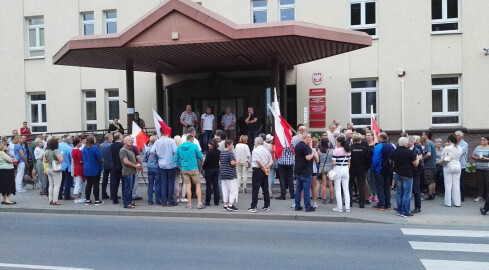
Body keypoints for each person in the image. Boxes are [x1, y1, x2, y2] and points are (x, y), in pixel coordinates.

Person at [392, 137, 422, 217]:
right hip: (407, 174)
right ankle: (405, 212)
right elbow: (415, 164)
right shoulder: (410, 152)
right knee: (406, 193)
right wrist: (418, 158)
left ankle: (399, 210)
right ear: (406, 143)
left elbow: (391, 161)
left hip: (397, 173)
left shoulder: (395, 151)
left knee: (399, 192)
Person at [174, 135, 204, 209]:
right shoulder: (194, 146)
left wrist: (179, 165)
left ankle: (189, 204)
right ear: (192, 140)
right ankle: (199, 203)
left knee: (188, 185)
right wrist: (201, 162)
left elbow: (175, 159)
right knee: (197, 185)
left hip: (184, 169)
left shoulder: (179, 147)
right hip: (193, 168)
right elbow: (200, 156)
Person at [152, 129, 178, 207]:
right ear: (166, 132)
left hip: (161, 164)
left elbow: (152, 151)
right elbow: (175, 151)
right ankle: (170, 200)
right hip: (170, 163)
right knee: (171, 182)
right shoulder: (171, 141)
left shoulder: (157, 141)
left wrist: (159, 155)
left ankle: (164, 201)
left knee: (163, 182)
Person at [248, 137, 273, 213]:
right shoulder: (266, 150)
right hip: (264, 169)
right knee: (265, 189)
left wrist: (264, 168)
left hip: (257, 170)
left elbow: (258, 161)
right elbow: (271, 161)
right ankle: (267, 206)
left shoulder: (255, 150)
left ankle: (254, 206)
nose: (254, 143)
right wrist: (266, 168)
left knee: (255, 189)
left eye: (255, 142)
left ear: (257, 142)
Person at [293, 133, 317, 212]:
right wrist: (313, 153)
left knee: (298, 189)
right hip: (306, 171)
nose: (310, 139)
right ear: (305, 138)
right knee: (306, 189)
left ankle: (297, 205)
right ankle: (308, 207)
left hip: (298, 170)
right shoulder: (306, 147)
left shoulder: (297, 146)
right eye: (309, 137)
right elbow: (308, 158)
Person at [371, 132, 394, 210]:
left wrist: (373, 168)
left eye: (378, 137)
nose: (377, 138)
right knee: (386, 187)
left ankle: (381, 204)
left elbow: (375, 159)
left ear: (381, 138)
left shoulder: (378, 146)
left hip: (379, 169)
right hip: (389, 169)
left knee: (380, 187)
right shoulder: (391, 146)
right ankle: (388, 204)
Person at [120, 136, 142, 209]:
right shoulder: (123, 150)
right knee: (128, 188)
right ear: (124, 142)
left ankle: (129, 202)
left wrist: (138, 165)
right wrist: (135, 166)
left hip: (133, 171)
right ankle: (126, 203)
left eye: (131, 140)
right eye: (129, 140)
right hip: (127, 172)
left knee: (131, 188)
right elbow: (125, 162)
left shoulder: (131, 149)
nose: (131, 141)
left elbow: (133, 159)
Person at [331, 136, 352, 212]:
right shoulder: (348, 150)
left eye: (336, 142)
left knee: (338, 188)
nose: (336, 143)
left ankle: (339, 207)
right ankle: (347, 207)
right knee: (346, 189)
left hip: (338, 169)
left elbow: (334, 163)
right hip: (346, 169)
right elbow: (349, 162)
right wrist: (347, 169)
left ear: (339, 143)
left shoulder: (336, 151)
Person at [441, 134, 462, 207]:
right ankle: (457, 202)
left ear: (449, 140)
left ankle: (448, 202)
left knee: (448, 185)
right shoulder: (460, 148)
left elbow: (443, 157)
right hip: (458, 166)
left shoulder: (447, 148)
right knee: (456, 185)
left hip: (449, 166)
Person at [349, 133, 369, 208]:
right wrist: (365, 168)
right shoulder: (364, 148)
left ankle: (350, 202)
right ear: (360, 140)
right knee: (361, 186)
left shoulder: (350, 148)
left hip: (352, 169)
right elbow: (368, 160)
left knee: (350, 185)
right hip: (362, 169)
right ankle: (362, 202)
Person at [82, 136, 103, 205]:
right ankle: (97, 200)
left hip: (86, 168)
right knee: (96, 184)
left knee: (88, 184)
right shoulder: (95, 148)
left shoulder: (84, 148)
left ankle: (87, 200)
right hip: (95, 168)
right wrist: (102, 160)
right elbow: (99, 158)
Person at [220, 139, 239, 211]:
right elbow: (232, 163)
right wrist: (237, 162)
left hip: (223, 173)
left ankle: (225, 205)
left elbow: (220, 163)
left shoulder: (222, 153)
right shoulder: (230, 153)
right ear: (228, 145)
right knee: (233, 190)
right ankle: (230, 205)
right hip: (230, 173)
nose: (232, 146)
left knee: (225, 190)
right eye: (231, 144)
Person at [44, 138, 63, 206]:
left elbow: (45, 160)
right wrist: (61, 155)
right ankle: (55, 200)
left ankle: (50, 199)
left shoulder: (46, 151)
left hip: (49, 168)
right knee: (57, 185)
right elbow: (61, 160)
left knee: (50, 185)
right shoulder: (56, 151)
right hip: (55, 169)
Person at [408, 136, 424, 214]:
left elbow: (420, 165)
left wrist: (416, 172)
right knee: (406, 191)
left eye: (407, 141)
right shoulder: (406, 150)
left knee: (416, 191)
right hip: (407, 174)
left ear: (412, 142)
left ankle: (417, 207)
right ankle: (404, 206)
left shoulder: (417, 151)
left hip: (415, 174)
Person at [203, 139, 220, 206]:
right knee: (216, 186)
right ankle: (216, 201)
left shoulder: (209, 152)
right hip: (216, 169)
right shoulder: (219, 152)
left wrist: (204, 167)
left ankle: (208, 202)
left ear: (212, 145)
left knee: (208, 186)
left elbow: (206, 162)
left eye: (209, 144)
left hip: (209, 170)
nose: (208, 145)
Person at [472, 135, 489, 203]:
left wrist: (486, 159)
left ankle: (487, 197)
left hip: (487, 168)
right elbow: (473, 155)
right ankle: (480, 196)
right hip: (479, 167)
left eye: (484, 139)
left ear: (488, 141)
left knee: (487, 182)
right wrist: (476, 158)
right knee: (480, 182)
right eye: (481, 139)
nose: (482, 141)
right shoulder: (478, 147)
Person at [144, 135, 159, 205]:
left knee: (150, 185)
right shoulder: (157, 149)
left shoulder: (147, 149)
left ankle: (150, 200)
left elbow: (145, 159)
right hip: (157, 167)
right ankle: (157, 200)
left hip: (150, 167)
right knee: (157, 184)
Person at [318, 137, 334, 204]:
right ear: (328, 143)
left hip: (322, 168)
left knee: (323, 184)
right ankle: (331, 199)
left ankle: (324, 199)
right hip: (330, 168)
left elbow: (318, 160)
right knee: (330, 184)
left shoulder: (319, 151)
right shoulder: (332, 151)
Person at [57, 135, 73, 201]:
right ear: (68, 140)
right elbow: (71, 159)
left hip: (59, 166)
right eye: (71, 139)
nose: (71, 140)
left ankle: (59, 195)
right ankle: (67, 195)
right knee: (67, 182)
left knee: (60, 182)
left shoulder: (58, 145)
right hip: (67, 166)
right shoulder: (69, 148)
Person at [422, 130, 437, 200]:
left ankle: (430, 195)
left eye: (423, 135)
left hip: (428, 165)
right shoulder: (432, 143)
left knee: (429, 181)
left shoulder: (428, 144)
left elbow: (428, 154)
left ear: (426, 136)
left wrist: (422, 158)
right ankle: (433, 193)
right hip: (433, 164)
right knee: (433, 180)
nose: (422, 136)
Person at [173, 136, 188, 203]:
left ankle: (177, 197)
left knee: (176, 181)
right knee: (184, 182)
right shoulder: (182, 148)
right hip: (183, 166)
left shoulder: (173, 148)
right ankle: (183, 196)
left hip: (175, 166)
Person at [110, 132, 124, 204]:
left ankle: (114, 198)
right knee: (124, 183)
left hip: (114, 166)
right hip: (122, 166)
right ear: (120, 138)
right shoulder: (122, 145)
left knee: (115, 183)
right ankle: (125, 198)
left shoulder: (111, 146)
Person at [71, 138, 86, 204]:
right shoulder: (79, 151)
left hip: (76, 167)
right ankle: (77, 198)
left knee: (78, 183)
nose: (81, 143)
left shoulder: (73, 150)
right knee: (79, 183)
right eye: (80, 142)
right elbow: (81, 161)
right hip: (79, 168)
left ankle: (78, 198)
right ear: (77, 143)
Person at [455, 131, 468, 201]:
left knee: (461, 182)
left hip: (461, 165)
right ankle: (455, 196)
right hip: (454, 165)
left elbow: (459, 153)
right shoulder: (454, 143)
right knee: (455, 182)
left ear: (461, 137)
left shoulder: (464, 144)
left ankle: (461, 197)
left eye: (456, 135)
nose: (455, 136)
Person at [99, 133, 113, 200]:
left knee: (105, 180)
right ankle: (112, 194)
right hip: (111, 164)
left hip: (104, 164)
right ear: (109, 138)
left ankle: (103, 194)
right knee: (112, 180)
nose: (112, 139)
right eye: (112, 138)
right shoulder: (111, 145)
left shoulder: (101, 145)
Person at [365, 131, 377, 203]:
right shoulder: (365, 144)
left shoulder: (375, 145)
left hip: (373, 164)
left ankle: (374, 195)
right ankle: (369, 194)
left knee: (373, 180)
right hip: (366, 165)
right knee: (368, 180)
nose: (368, 136)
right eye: (366, 135)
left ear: (372, 136)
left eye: (369, 135)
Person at [266, 134, 277, 199]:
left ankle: (267, 188)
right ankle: (270, 188)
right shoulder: (273, 146)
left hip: (266, 162)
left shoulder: (264, 146)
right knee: (272, 175)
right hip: (272, 161)